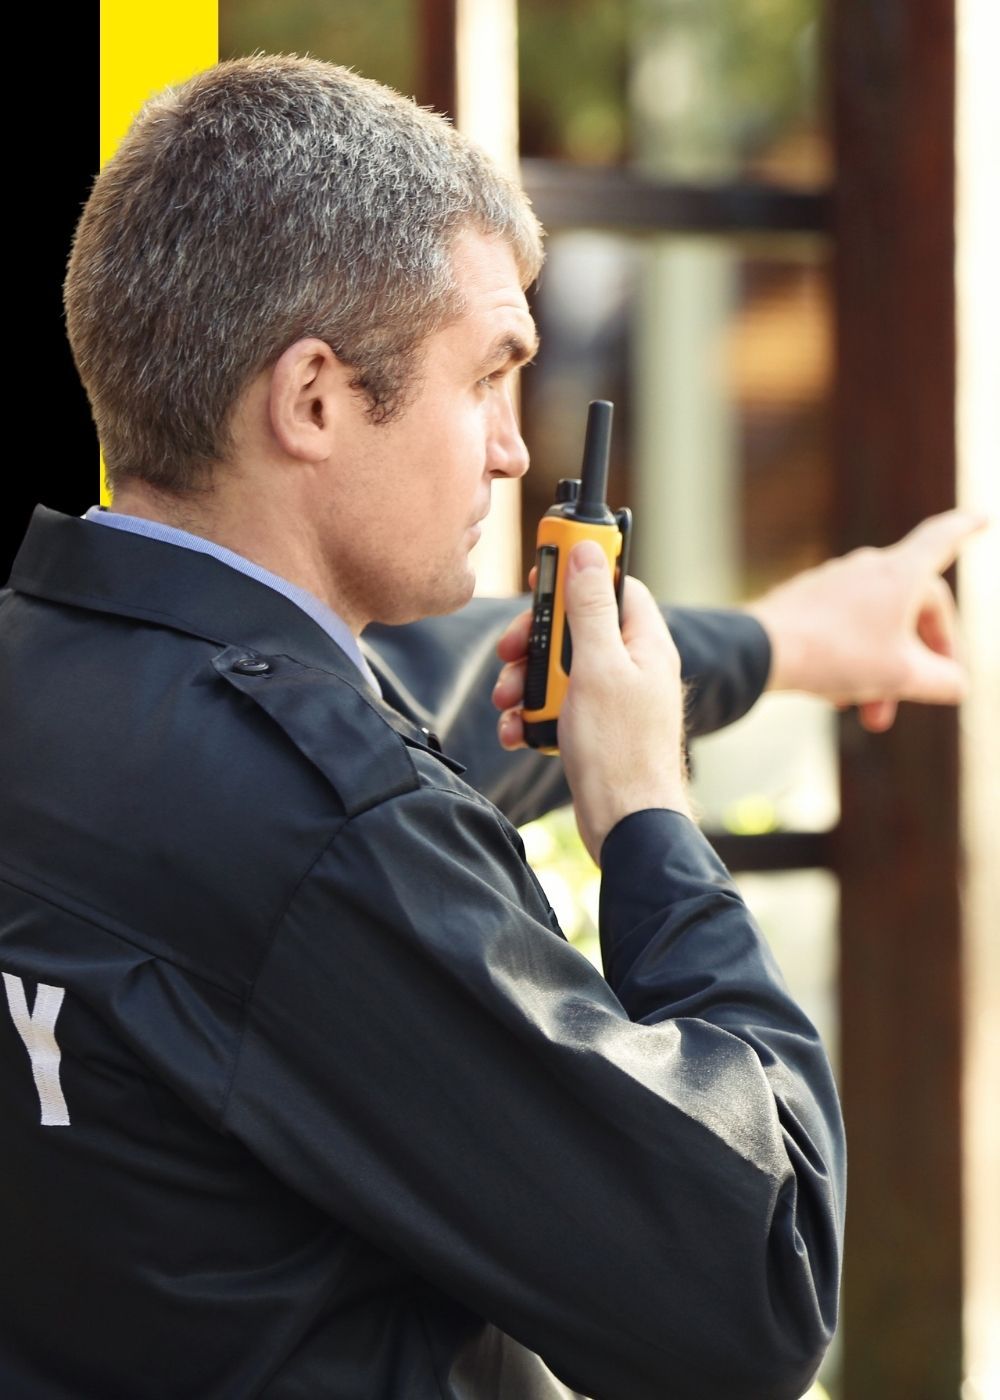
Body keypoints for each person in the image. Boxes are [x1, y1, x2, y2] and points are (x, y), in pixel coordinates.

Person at [0, 54, 977, 1400]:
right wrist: (646, 811)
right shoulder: (326, 837)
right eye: (487, 380)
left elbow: (434, 696)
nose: (513, 451)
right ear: (316, 400)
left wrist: (785, 640)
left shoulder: (63, 674)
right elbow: (757, 1280)